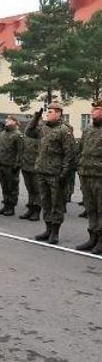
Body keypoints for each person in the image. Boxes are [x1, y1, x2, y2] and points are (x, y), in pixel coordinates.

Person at [26, 103, 75, 244]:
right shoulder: (44, 128)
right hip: (42, 171)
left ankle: (55, 232)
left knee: (56, 204)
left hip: (56, 173)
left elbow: (69, 154)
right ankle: (47, 229)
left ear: (59, 114)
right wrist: (36, 117)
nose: (48, 114)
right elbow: (28, 132)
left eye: (51, 112)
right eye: (47, 112)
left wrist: (64, 174)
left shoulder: (64, 130)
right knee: (46, 202)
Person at [75, 100, 102, 254]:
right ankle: (92, 237)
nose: (92, 112)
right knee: (90, 208)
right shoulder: (89, 130)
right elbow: (80, 150)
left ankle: (101, 240)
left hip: (100, 176)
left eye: (97, 109)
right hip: (86, 174)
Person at [0, 115, 23, 216]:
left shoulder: (17, 134)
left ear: (15, 122)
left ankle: (11, 207)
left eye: (9, 120)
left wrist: (17, 164)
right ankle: (6, 205)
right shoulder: (2, 133)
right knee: (4, 186)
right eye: (7, 119)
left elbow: (20, 151)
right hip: (1, 163)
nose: (6, 121)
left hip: (11, 165)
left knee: (12, 187)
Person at [19, 115, 42, 221]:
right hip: (26, 165)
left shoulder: (41, 133)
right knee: (30, 190)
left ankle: (36, 211)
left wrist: (37, 119)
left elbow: (33, 127)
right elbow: (29, 128)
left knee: (37, 190)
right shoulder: (28, 132)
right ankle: (30, 209)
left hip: (37, 167)